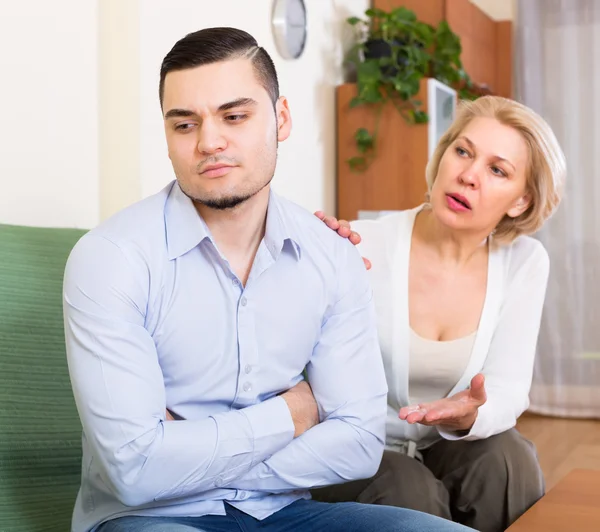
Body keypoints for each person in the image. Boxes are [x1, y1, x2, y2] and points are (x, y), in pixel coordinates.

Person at [62, 27, 474, 532]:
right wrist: (295, 412)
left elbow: (360, 443)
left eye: (234, 116)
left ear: (280, 119)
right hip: (152, 518)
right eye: (184, 125)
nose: (210, 142)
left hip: (284, 511)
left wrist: (187, 456)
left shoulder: (330, 256)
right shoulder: (111, 259)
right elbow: (134, 472)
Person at [312, 95, 566, 532]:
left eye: (497, 169)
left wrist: (470, 416)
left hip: (443, 444)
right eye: (462, 151)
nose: (467, 175)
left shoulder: (525, 261)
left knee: (508, 460)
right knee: (408, 489)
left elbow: (508, 387)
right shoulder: (360, 245)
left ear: (520, 202)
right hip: (355, 447)